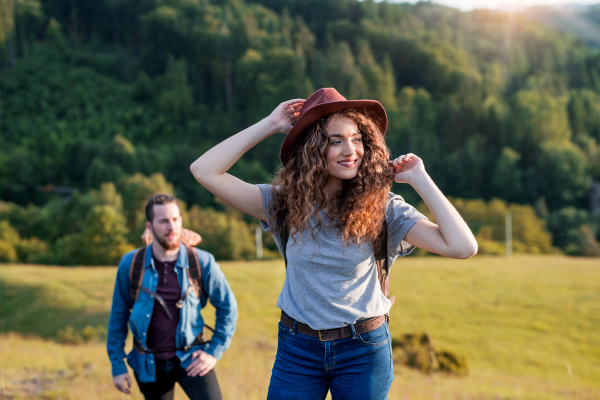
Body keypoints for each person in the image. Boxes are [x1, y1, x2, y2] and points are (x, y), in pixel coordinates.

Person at [190, 87, 477, 399]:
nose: (350, 149)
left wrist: (420, 178)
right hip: (297, 349)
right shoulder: (282, 204)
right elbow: (204, 170)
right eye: (335, 140)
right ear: (312, 149)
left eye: (356, 139)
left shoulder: (384, 209)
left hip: (363, 350)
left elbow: (462, 247)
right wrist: (271, 124)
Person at [107, 194, 237, 400]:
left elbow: (228, 307)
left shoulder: (202, 261)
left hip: (192, 358)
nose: (172, 226)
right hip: (149, 364)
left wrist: (213, 351)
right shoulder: (131, 264)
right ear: (149, 226)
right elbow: (118, 315)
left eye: (175, 219)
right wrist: (117, 365)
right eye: (164, 221)